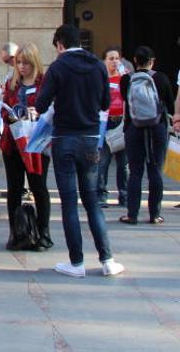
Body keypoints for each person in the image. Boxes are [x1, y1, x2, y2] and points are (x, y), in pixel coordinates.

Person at [35, 24, 124, 278]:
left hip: (64, 138)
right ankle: (107, 259)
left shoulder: (59, 67)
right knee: (92, 201)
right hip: (90, 139)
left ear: (60, 44)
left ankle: (76, 263)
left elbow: (41, 104)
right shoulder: (97, 66)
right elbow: (106, 102)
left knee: (69, 202)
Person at [0, 43, 52, 251]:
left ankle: (43, 233)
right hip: (13, 142)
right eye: (19, 62)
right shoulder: (11, 84)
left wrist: (37, 113)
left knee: (39, 186)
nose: (22, 67)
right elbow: (3, 108)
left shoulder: (44, 83)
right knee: (14, 188)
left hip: (37, 142)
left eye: (26, 63)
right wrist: (11, 115)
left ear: (35, 63)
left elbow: (51, 108)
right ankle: (16, 232)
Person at [119, 46, 173, 226]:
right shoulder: (162, 78)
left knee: (135, 171)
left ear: (135, 60)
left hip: (133, 128)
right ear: (152, 61)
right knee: (155, 171)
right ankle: (155, 215)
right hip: (157, 128)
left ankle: (132, 214)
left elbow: (125, 101)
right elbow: (171, 106)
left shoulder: (126, 80)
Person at [98, 46, 129, 208]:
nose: (114, 62)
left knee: (123, 164)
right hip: (105, 121)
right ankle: (101, 195)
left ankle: (124, 195)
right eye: (111, 59)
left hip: (122, 121)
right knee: (103, 161)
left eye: (117, 58)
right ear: (104, 61)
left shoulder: (125, 78)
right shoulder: (100, 79)